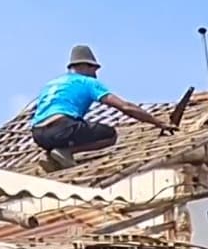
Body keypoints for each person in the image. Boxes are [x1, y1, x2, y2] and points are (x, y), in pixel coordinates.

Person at [30, 45, 175, 171]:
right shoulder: (87, 82)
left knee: (70, 129)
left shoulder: (52, 84)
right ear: (85, 66)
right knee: (110, 135)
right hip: (62, 128)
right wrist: (158, 122)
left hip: (38, 135)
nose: (95, 74)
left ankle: (53, 155)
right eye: (94, 68)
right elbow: (125, 107)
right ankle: (66, 151)